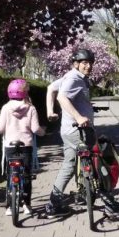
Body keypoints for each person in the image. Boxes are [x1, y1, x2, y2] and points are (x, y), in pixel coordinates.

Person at [44, 48, 97, 216]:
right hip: (78, 130)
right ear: (76, 64)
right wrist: (79, 116)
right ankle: (101, 193)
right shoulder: (74, 78)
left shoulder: (71, 76)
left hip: (67, 130)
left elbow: (51, 88)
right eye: (84, 63)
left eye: (90, 63)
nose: (88, 66)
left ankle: (54, 203)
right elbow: (61, 97)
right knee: (96, 152)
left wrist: (49, 111)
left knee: (69, 164)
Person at [0, 78, 45, 216]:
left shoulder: (5, 108)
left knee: (11, 175)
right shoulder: (31, 108)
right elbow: (35, 129)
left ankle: (9, 207)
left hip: (10, 146)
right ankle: (27, 205)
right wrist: (43, 131)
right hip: (26, 146)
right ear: (25, 92)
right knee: (26, 175)